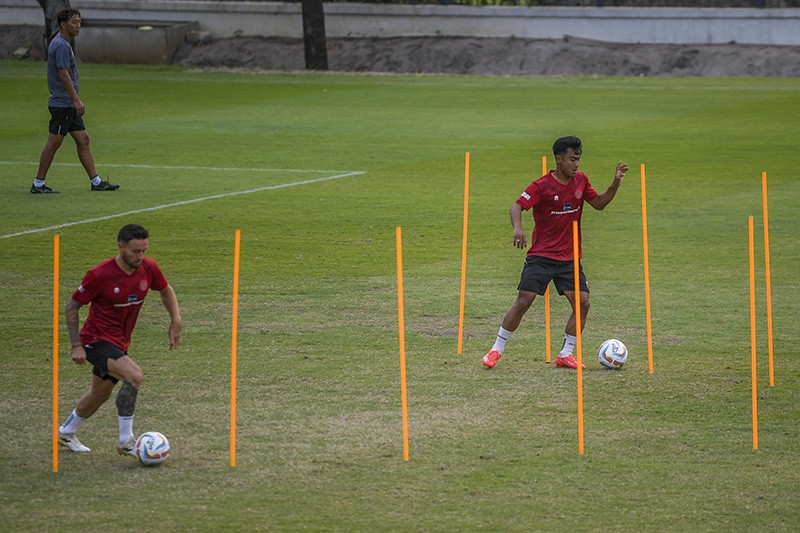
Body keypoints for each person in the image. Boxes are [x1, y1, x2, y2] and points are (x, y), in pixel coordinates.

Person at [483, 136, 629, 370]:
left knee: (583, 303)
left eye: (578, 159)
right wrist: (518, 228)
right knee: (524, 301)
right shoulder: (542, 186)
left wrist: (615, 184)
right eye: (572, 159)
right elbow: (516, 206)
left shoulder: (581, 181)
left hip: (569, 258)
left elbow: (599, 204)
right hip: (541, 256)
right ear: (559, 159)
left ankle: (566, 354)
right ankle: (496, 350)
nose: (576, 164)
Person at [58, 224, 182, 457]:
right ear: (120, 247)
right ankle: (126, 441)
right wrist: (76, 345)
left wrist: (176, 319)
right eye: (135, 251)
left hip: (120, 342)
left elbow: (165, 289)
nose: (140, 256)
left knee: (100, 394)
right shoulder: (99, 275)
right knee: (134, 375)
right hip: (95, 340)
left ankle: (66, 432)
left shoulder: (148, 268)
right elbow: (72, 305)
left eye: (143, 251)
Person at [30, 8, 119, 194]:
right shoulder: (61, 45)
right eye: (74, 22)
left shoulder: (62, 43)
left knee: (83, 139)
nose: (78, 26)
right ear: (63, 24)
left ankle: (96, 182)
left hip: (68, 104)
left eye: (79, 22)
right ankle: (38, 184)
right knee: (54, 142)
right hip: (63, 104)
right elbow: (63, 74)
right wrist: (76, 100)